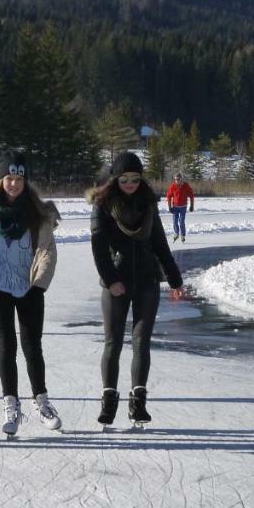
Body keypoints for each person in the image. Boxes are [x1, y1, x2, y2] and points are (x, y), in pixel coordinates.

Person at [0, 151, 64, 436]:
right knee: (6, 346)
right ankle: (11, 404)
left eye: (19, 178)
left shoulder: (38, 213)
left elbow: (47, 251)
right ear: (1, 180)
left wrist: (40, 283)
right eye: (9, 178)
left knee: (32, 347)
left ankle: (42, 403)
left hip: (30, 288)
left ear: (25, 181)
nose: (14, 183)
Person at [89, 151, 184, 428]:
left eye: (135, 178)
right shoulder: (103, 205)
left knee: (141, 342)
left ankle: (138, 403)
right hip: (115, 283)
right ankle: (109, 402)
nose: (130, 183)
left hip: (146, 281)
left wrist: (174, 278)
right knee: (113, 342)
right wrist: (110, 279)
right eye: (124, 179)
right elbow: (98, 248)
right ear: (115, 179)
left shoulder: (148, 204)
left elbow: (159, 243)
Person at [165, 172, 195, 242]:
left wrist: (192, 205)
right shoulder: (173, 186)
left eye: (178, 179)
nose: (177, 181)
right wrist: (169, 207)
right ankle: (176, 233)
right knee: (175, 222)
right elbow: (169, 196)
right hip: (175, 207)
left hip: (183, 207)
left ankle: (183, 235)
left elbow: (191, 195)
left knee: (181, 222)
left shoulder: (186, 186)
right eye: (175, 179)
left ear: (181, 179)